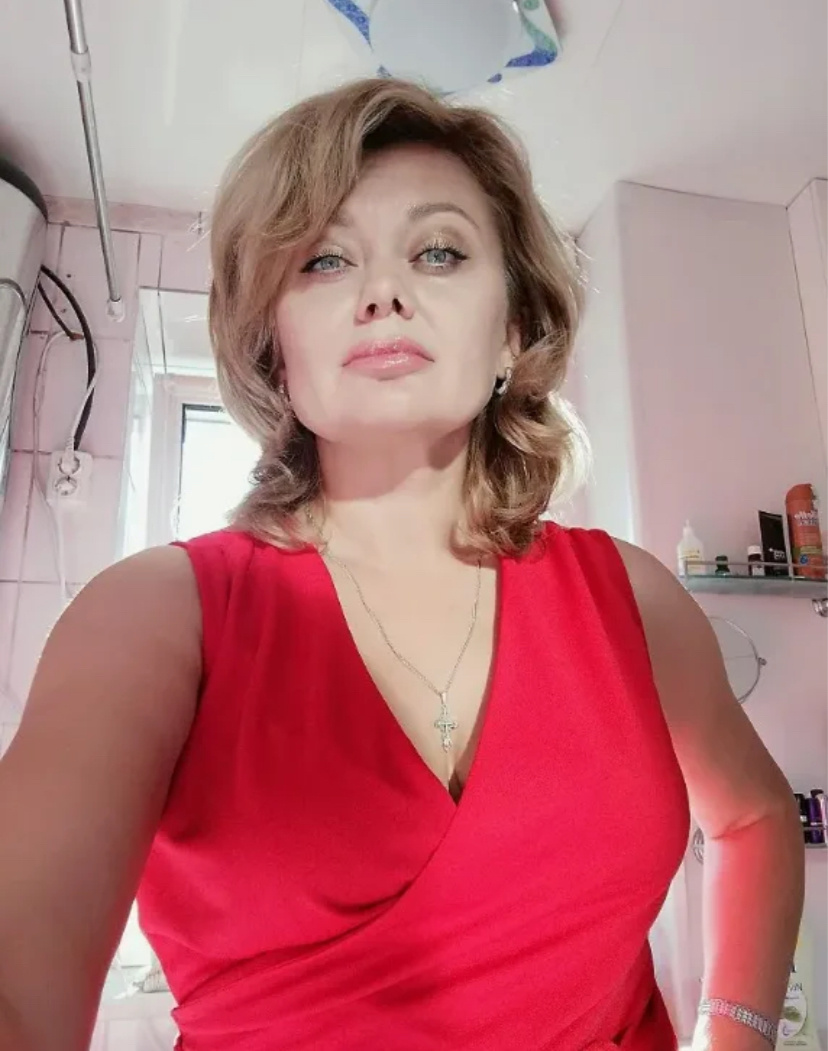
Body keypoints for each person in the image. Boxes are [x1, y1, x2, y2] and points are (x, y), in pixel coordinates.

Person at [0, 78, 804, 1051]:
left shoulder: (632, 598)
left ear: (511, 331)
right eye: (325, 259)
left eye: (438, 251)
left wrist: (738, 1030)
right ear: (275, 348)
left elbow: (758, 817)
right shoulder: (153, 619)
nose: (383, 292)